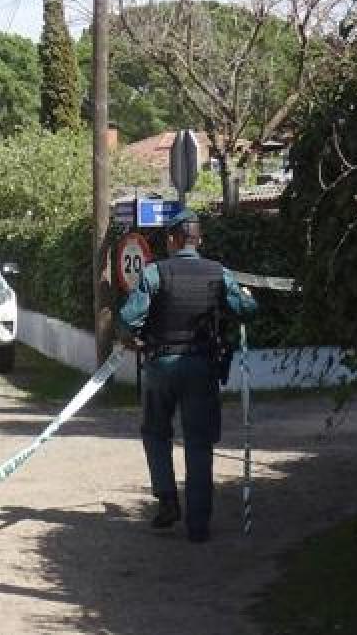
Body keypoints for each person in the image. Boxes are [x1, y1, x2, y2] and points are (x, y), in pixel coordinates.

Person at [117, 209, 257, 543]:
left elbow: (126, 319)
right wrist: (249, 301)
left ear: (172, 240)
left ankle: (167, 499)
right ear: (199, 239)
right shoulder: (218, 273)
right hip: (201, 367)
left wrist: (133, 340)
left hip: (160, 366)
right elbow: (245, 310)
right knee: (198, 443)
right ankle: (199, 525)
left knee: (155, 433)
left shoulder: (155, 274)